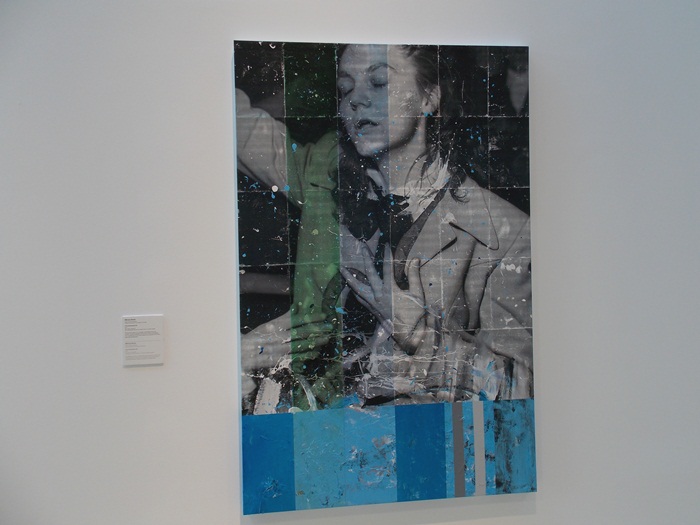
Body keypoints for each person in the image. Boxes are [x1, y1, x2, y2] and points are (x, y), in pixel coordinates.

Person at [236, 43, 532, 413]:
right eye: (345, 88)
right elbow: (238, 126)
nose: (355, 99)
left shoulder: (505, 233)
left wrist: (415, 329)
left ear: (430, 97)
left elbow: (518, 385)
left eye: (378, 82)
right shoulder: (326, 174)